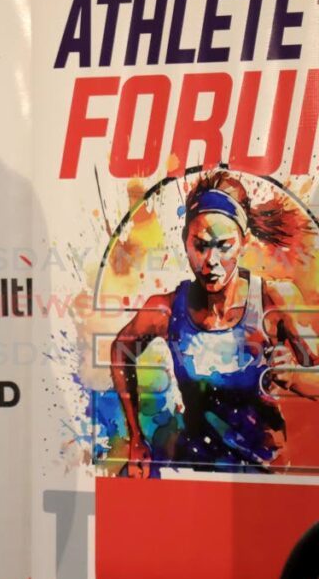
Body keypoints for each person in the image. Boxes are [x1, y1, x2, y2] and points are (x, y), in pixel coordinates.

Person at [110, 170, 319, 476]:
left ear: (244, 243)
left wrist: (296, 376)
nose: (211, 261)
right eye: (201, 245)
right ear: (185, 241)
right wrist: (136, 439)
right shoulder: (165, 310)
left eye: (224, 246)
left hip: (264, 473)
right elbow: (120, 350)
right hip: (197, 468)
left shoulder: (274, 300)